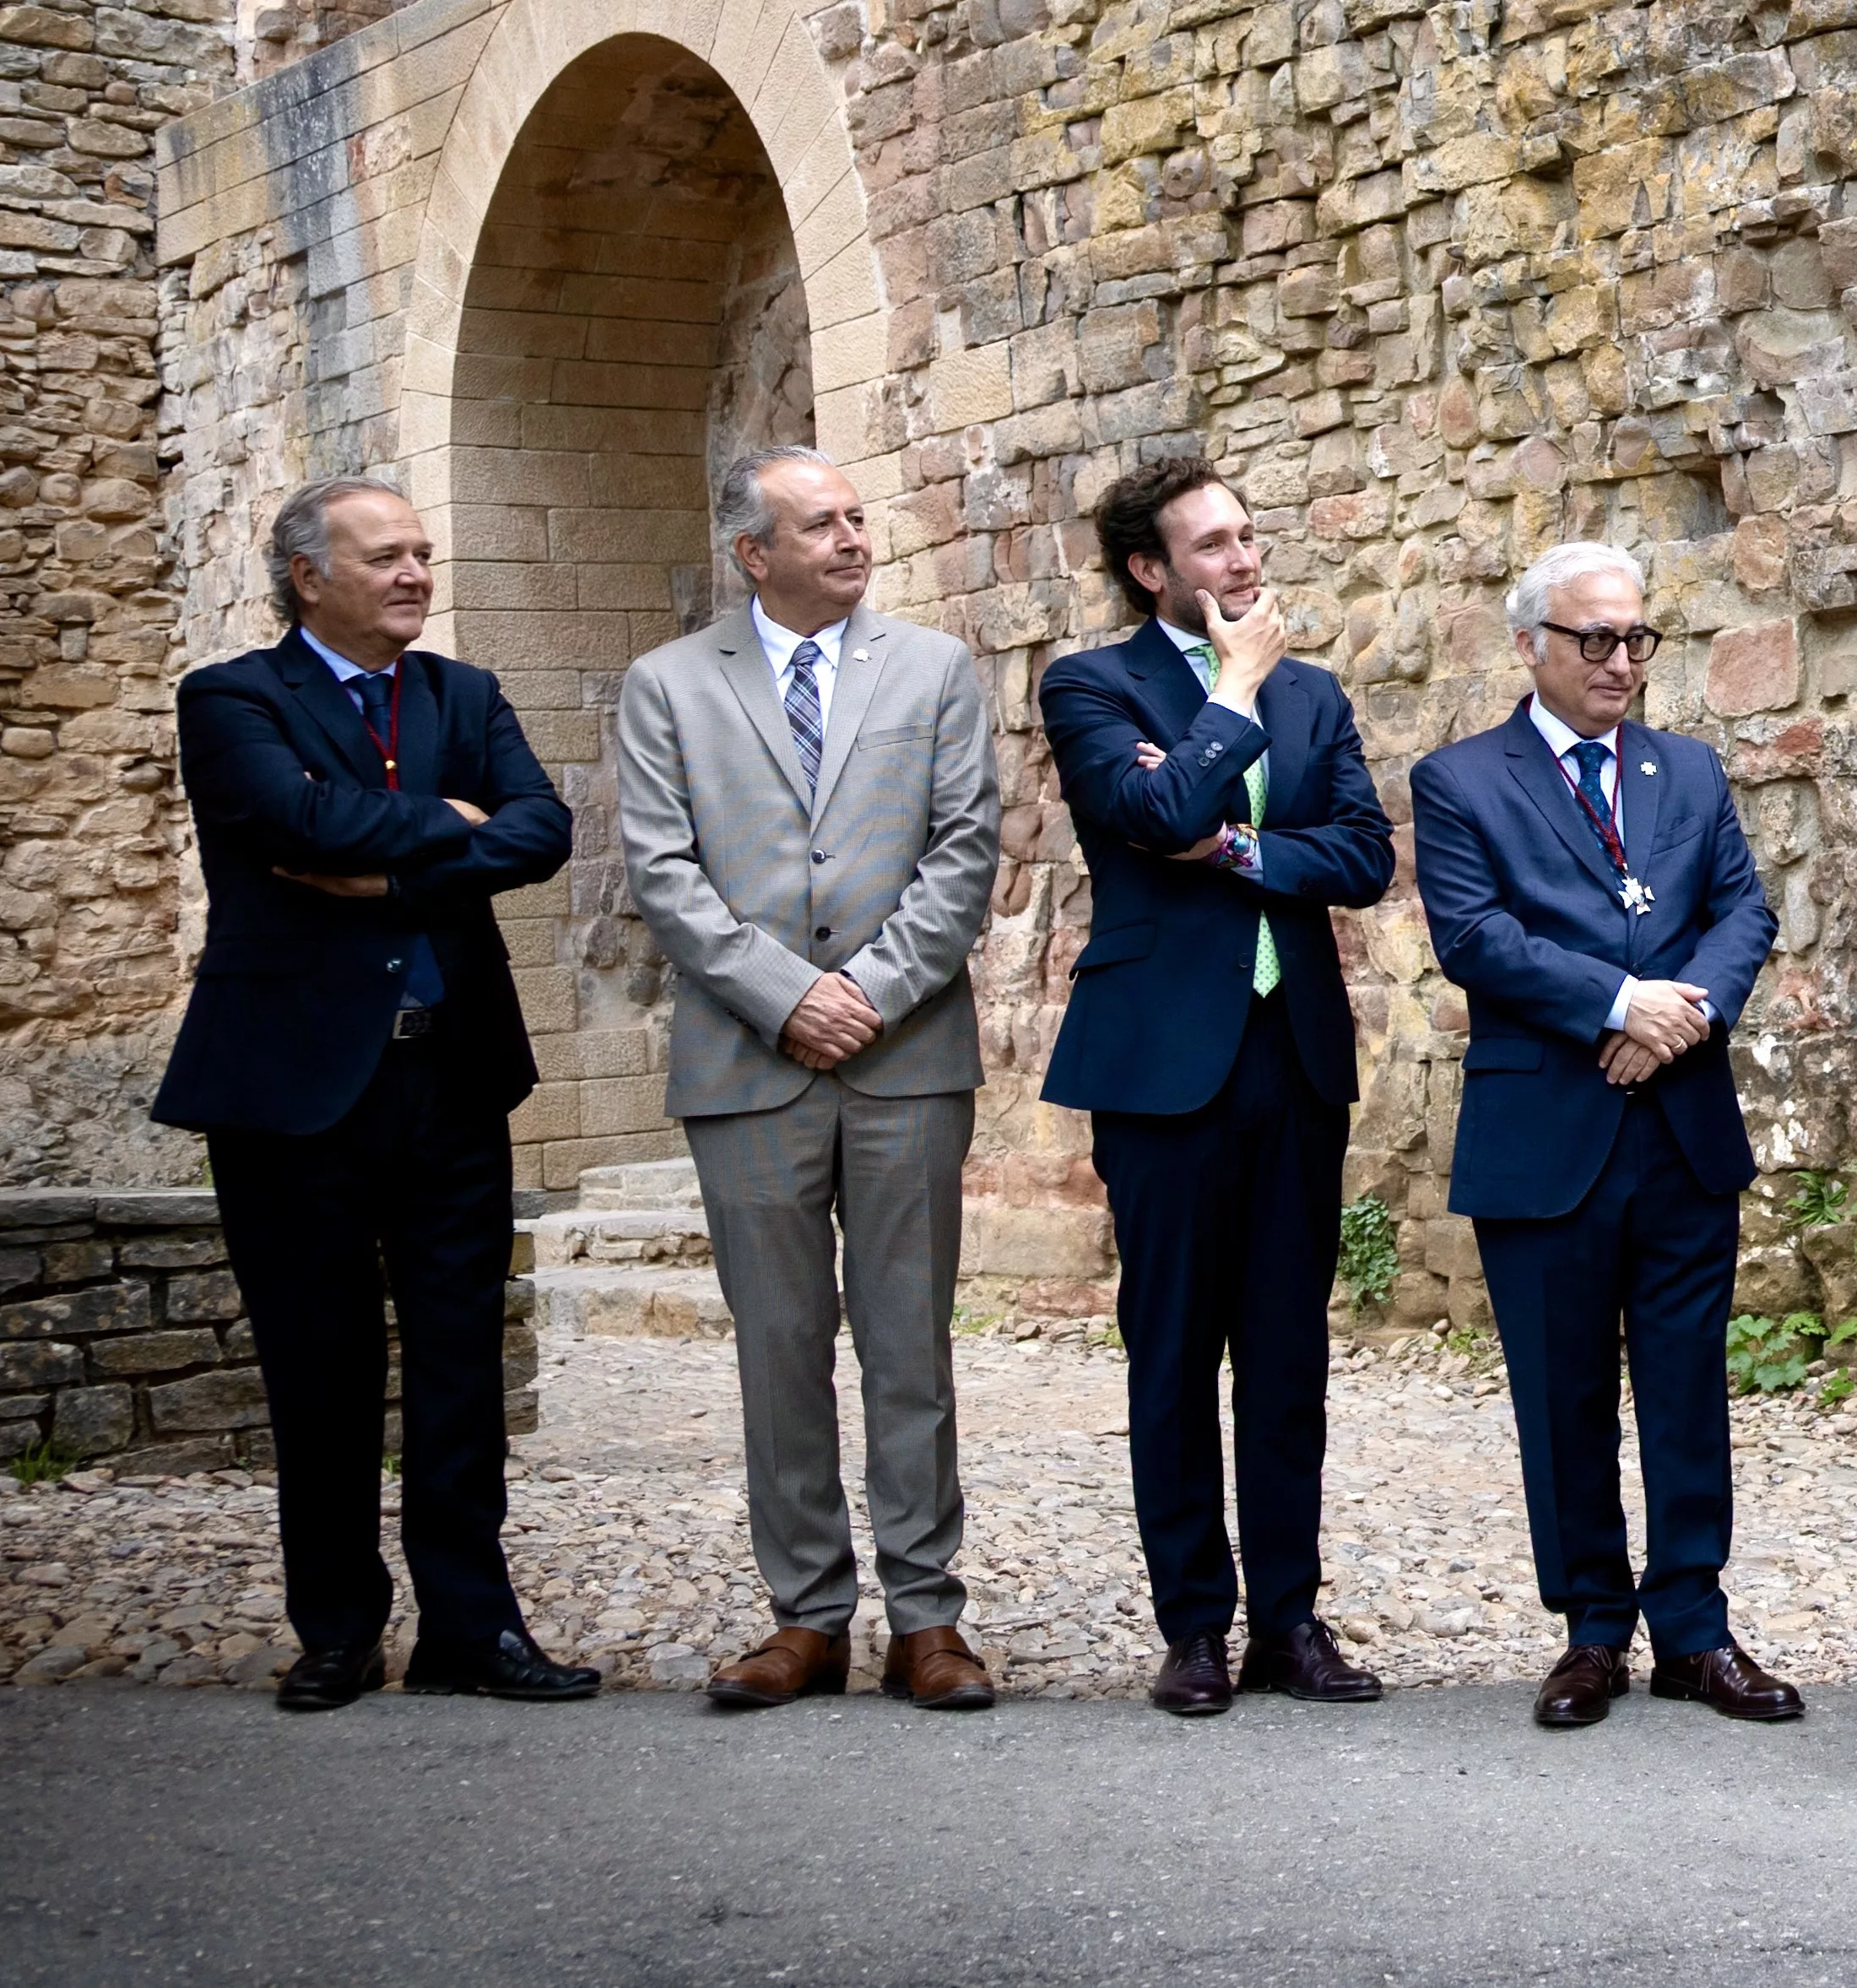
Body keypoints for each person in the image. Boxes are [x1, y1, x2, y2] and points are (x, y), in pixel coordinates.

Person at [152, 477, 591, 1712]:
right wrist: (449, 823)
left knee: (459, 1369)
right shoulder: (233, 697)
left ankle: (471, 1628)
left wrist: (393, 875)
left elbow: (544, 830)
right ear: (308, 575)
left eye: (422, 553)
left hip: (452, 1075)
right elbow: (293, 818)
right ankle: (338, 1630)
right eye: (387, 555)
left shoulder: (465, 693)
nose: (414, 574)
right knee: (320, 1367)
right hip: (292, 1089)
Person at [617, 444, 1004, 1714]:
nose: (852, 538)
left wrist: (871, 993)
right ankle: (807, 1616)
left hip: (907, 1057)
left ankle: (928, 1617)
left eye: (856, 517)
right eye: (821, 523)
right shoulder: (669, 685)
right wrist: (787, 994)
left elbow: (964, 848)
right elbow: (662, 869)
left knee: (910, 1344)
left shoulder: (934, 670)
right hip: (746, 1062)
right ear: (753, 553)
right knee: (778, 1348)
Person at [1411, 541, 1802, 1730]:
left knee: (1687, 1387)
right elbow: (1475, 937)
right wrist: (1622, 1003)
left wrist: (1683, 1017)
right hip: (1547, 1132)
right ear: (1529, 644)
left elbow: (1743, 910)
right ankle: (1591, 1629)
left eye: (1637, 637)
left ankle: (1695, 1629)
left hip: (1680, 1129)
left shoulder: (1689, 769)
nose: (1621, 660)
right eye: (1595, 638)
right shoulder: (1459, 781)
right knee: (1563, 1394)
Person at [1041, 461, 1397, 1717]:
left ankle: (1289, 1620)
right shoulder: (1092, 684)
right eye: (1213, 545)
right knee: (1176, 1347)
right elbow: (1151, 812)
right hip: (1158, 1062)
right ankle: (1193, 1623)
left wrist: (1239, 845)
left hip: (1291, 1051)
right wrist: (1232, 690)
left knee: (1288, 1352)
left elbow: (1363, 856)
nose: (1244, 561)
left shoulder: (1315, 693)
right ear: (1150, 569)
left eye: (1249, 536)